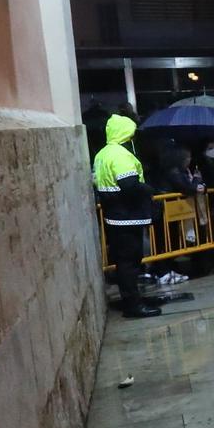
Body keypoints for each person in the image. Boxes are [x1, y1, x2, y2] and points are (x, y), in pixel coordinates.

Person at [92, 113, 163, 318]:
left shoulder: (103, 153)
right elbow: (129, 185)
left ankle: (132, 300)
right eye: (131, 134)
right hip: (127, 216)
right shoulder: (120, 155)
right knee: (129, 263)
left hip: (115, 215)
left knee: (125, 262)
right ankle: (133, 306)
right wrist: (151, 191)